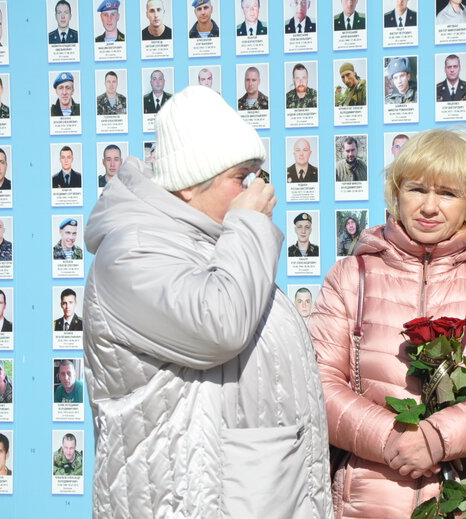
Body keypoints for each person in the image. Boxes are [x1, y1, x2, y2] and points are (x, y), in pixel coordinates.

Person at [83, 85, 331, 517]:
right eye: (241, 178)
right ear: (187, 186)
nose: (258, 191)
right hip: (184, 499)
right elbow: (221, 325)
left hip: (239, 493)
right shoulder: (132, 252)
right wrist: (249, 223)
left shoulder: (210, 243)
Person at [311, 128, 466, 517]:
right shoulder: (350, 275)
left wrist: (437, 438)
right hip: (365, 503)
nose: (429, 207)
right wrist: (389, 438)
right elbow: (319, 384)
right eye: (417, 189)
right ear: (397, 194)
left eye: (447, 193)